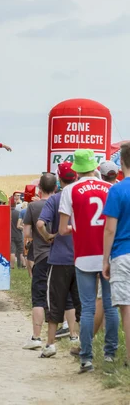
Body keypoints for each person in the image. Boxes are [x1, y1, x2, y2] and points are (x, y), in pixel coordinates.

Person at [59, 149, 119, 374]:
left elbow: (63, 229)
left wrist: (77, 227)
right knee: (110, 307)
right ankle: (110, 354)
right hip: (108, 254)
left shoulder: (70, 190)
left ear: (76, 169)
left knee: (86, 307)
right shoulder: (110, 188)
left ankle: (86, 357)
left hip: (83, 254)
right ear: (94, 167)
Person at [36, 162, 81, 358]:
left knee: (55, 302)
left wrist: (47, 236)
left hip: (59, 259)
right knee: (81, 303)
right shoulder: (82, 196)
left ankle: (50, 344)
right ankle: (78, 339)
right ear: (76, 177)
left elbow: (39, 224)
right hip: (82, 258)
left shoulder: (55, 199)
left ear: (59, 181)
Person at [103, 142, 130, 370]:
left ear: (121, 162)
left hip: (122, 254)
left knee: (127, 309)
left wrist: (105, 260)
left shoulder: (117, 190)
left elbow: (110, 228)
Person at [22, 173, 57, 350]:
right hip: (60, 256)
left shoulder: (33, 207)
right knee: (61, 297)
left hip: (41, 256)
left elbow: (27, 233)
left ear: (40, 188)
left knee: (38, 297)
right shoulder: (60, 204)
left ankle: (36, 337)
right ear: (56, 188)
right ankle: (70, 332)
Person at [10, 198, 24, 269]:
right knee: (21, 251)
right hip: (18, 234)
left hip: (10, 235)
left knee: (12, 251)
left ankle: (12, 266)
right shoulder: (18, 213)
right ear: (15, 205)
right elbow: (21, 224)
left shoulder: (6, 213)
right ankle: (23, 265)